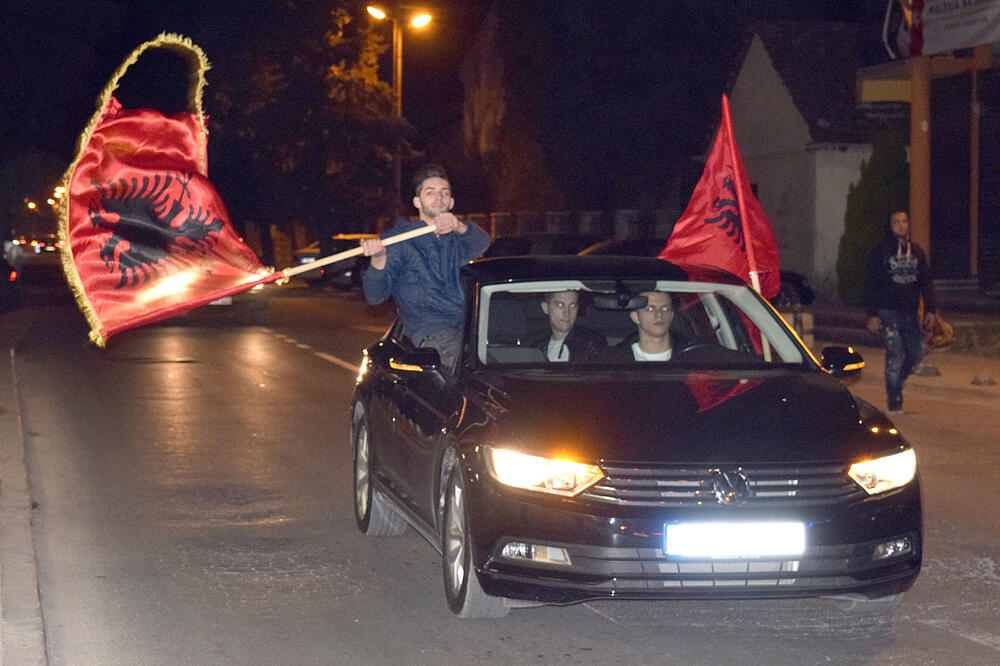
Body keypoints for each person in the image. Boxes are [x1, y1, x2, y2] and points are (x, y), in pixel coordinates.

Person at [361, 164, 490, 368]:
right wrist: (378, 259)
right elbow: (374, 296)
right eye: (430, 193)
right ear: (417, 202)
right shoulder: (398, 240)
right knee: (468, 365)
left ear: (451, 202)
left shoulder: (458, 238)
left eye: (444, 193)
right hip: (432, 330)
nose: (439, 198)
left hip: (471, 324)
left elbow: (483, 243)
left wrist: (459, 226)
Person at [865, 210, 937, 414]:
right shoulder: (881, 251)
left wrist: (931, 309)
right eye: (896, 222)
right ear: (890, 225)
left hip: (910, 311)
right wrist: (872, 314)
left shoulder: (916, 251)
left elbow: (925, 281)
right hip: (888, 311)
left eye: (904, 221)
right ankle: (894, 399)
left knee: (917, 352)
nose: (901, 225)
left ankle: (897, 383)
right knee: (895, 354)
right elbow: (871, 282)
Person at [527, 291, 605, 362]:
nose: (567, 313)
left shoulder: (592, 342)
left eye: (572, 305)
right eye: (560, 305)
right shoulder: (536, 349)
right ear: (545, 308)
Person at [608, 291, 676, 362]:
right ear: (635, 317)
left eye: (665, 309)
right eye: (650, 309)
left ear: (671, 316)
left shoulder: (686, 357)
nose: (659, 314)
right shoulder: (615, 361)